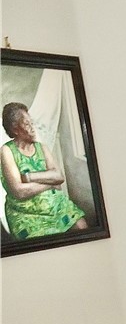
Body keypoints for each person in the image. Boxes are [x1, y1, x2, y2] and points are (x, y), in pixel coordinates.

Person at [1, 102, 87, 240]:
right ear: (15, 128)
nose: (33, 128)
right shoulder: (7, 151)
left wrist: (29, 177)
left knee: (83, 228)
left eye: (32, 122)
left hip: (56, 205)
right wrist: (50, 183)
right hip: (26, 214)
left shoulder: (41, 147)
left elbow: (59, 176)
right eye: (27, 124)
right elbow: (19, 191)